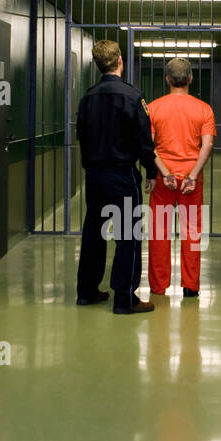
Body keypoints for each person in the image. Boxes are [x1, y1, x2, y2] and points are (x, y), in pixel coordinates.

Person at [75, 39, 158, 315]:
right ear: (120, 60)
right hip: (122, 175)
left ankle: (86, 292)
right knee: (128, 236)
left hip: (95, 176)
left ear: (98, 65)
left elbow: (82, 136)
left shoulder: (88, 97)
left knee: (93, 232)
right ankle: (124, 298)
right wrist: (151, 171)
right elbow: (144, 140)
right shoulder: (133, 97)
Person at [146, 57, 216, 298]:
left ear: (167, 80)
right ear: (191, 79)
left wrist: (164, 173)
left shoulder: (153, 107)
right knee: (191, 232)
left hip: (162, 177)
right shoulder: (203, 109)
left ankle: (158, 285)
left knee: (159, 231)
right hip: (191, 178)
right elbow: (206, 145)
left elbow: (148, 145)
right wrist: (193, 175)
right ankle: (190, 286)